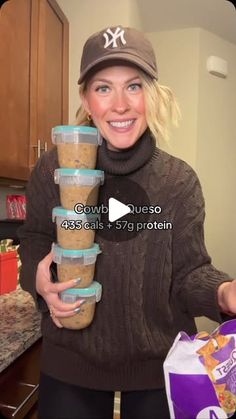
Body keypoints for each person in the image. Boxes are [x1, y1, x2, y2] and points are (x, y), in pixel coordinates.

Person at [18, 25, 236, 419]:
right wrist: (38, 279)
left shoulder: (178, 181)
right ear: (86, 97)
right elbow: (34, 239)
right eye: (103, 88)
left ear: (151, 94)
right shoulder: (53, 168)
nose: (120, 104)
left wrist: (223, 292)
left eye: (133, 86)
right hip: (71, 363)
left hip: (156, 369)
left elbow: (190, 272)